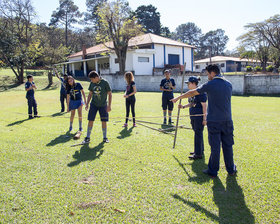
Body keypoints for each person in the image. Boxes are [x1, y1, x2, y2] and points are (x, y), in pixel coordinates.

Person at [171, 64, 237, 177]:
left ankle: (213, 171)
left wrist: (178, 98)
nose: (207, 76)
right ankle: (231, 169)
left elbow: (193, 92)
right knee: (228, 146)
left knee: (215, 147)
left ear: (212, 73)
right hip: (227, 120)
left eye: (208, 74)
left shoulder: (210, 84)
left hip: (214, 121)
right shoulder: (229, 84)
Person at [178, 76, 207, 160]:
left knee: (198, 133)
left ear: (194, 83)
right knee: (197, 133)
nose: (188, 85)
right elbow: (192, 103)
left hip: (199, 115)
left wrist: (205, 118)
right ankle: (199, 150)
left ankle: (198, 154)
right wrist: (183, 106)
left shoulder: (201, 92)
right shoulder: (191, 93)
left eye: (189, 83)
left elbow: (204, 105)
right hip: (193, 115)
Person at [83, 71, 112, 143]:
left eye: (92, 79)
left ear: (96, 78)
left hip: (103, 105)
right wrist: (87, 104)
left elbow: (110, 94)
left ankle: (105, 138)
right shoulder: (92, 83)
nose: (91, 81)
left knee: (104, 121)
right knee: (90, 120)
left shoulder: (105, 82)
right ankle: (87, 137)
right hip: (94, 105)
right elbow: (90, 94)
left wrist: (109, 106)